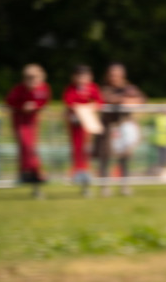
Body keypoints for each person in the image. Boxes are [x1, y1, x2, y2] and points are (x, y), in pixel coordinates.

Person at [97, 63, 146, 194]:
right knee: (105, 156)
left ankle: (125, 186)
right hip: (108, 127)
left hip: (124, 126)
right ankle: (105, 186)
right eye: (112, 74)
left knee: (124, 157)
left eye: (117, 74)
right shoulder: (104, 88)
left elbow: (141, 99)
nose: (114, 77)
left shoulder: (129, 87)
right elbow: (106, 99)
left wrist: (128, 100)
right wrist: (122, 99)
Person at [5, 63, 51, 189]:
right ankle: (27, 172)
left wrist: (36, 106)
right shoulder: (18, 89)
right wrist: (21, 107)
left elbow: (44, 100)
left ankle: (33, 172)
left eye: (35, 78)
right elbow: (9, 101)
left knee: (31, 147)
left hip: (33, 121)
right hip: (20, 120)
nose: (32, 81)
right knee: (25, 145)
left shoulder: (43, 88)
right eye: (29, 78)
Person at [62, 65, 103, 194]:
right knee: (76, 147)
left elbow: (99, 101)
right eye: (79, 76)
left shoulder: (92, 87)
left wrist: (91, 106)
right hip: (75, 123)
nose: (82, 78)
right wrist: (77, 108)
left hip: (88, 122)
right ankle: (77, 170)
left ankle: (85, 170)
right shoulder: (71, 89)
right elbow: (68, 101)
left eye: (85, 75)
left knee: (87, 147)